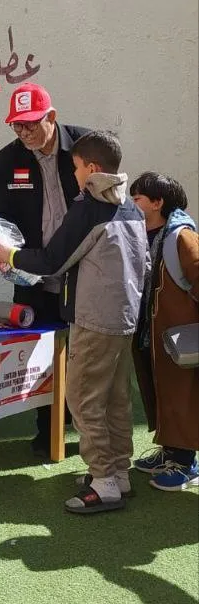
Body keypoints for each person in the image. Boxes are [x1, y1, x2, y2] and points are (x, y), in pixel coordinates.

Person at [0, 131, 147, 514]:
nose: (73, 174)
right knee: (115, 397)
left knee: (82, 398)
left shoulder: (90, 206)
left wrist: (9, 256)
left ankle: (104, 482)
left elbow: (51, 261)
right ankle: (117, 473)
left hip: (94, 318)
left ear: (92, 169)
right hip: (126, 315)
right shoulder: (131, 207)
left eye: (76, 168)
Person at [0, 83, 89, 454]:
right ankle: (48, 429)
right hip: (34, 272)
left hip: (84, 271)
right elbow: (4, 219)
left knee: (82, 353)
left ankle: (84, 427)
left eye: (31, 124)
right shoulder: (6, 160)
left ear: (52, 117)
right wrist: (1, 249)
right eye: (17, 126)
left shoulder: (84, 147)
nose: (24, 132)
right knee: (41, 353)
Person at [130, 172, 199, 491]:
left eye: (139, 198)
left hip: (177, 331)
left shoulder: (180, 236)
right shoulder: (144, 231)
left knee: (180, 394)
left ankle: (186, 463)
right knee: (159, 390)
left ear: (158, 203)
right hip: (151, 330)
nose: (133, 203)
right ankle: (169, 450)